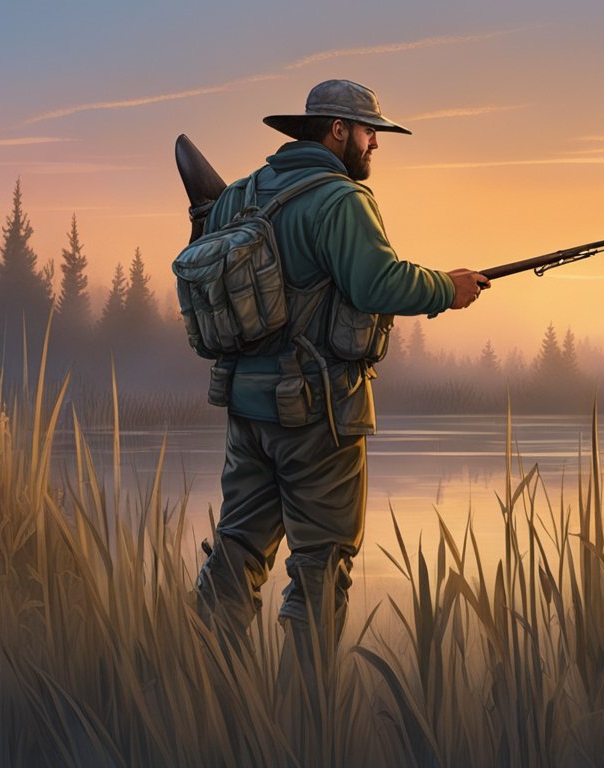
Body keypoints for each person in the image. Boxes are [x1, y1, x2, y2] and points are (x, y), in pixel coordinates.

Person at [192, 79, 490, 668]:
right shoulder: (339, 199)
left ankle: (197, 690)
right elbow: (377, 282)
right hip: (316, 415)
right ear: (336, 131)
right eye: (368, 132)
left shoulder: (239, 195)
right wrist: (447, 289)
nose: (375, 144)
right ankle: (308, 724)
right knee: (321, 565)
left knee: (237, 549)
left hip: (247, 409)